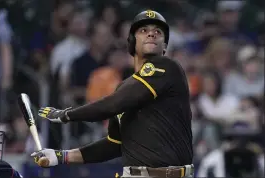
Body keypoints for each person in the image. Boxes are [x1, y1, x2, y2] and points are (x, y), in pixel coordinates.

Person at [32, 10, 194, 178]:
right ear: (131, 42)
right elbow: (114, 144)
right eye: (144, 31)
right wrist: (61, 156)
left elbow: (114, 104)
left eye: (158, 32)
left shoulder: (168, 68)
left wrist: (66, 115)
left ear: (165, 46)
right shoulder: (124, 89)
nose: (152, 34)